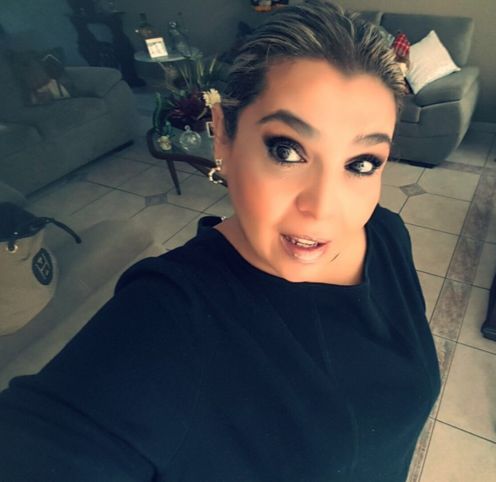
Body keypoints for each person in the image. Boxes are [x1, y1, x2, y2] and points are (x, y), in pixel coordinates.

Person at [0, 1, 441, 480]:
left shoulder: (386, 234)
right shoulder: (168, 319)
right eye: (287, 150)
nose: (323, 207)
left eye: (362, 163)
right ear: (223, 136)